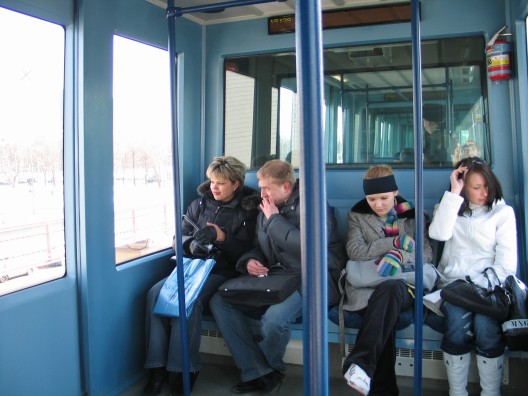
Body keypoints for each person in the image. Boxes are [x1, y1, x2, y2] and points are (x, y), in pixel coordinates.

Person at [209, 159, 345, 394]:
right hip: (276, 277)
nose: (261, 192)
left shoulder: (312, 206)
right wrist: (249, 261)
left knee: (274, 319)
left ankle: (268, 370)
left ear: (286, 187)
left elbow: (311, 250)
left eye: (266, 188)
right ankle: (259, 371)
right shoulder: (267, 207)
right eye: (260, 187)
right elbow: (257, 246)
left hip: (313, 278)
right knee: (220, 301)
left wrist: (274, 220)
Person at [143, 156, 259, 396]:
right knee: (155, 294)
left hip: (221, 270)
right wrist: (190, 247)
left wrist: (222, 238)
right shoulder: (198, 205)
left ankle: (182, 371)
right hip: (191, 265)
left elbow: (248, 251)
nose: (214, 187)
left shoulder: (249, 210)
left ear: (236, 184)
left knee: (188, 300)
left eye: (221, 183)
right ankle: (156, 369)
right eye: (212, 181)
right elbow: (178, 238)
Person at [427, 157, 517, 396]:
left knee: (486, 326)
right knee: (456, 325)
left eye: (486, 186)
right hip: (454, 287)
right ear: (464, 187)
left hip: (489, 288)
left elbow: (507, 264)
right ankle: (457, 392)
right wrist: (454, 193)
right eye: (476, 187)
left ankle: (491, 392)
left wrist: (475, 286)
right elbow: (438, 233)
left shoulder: (502, 213)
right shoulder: (449, 207)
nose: (483, 192)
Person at [342, 164, 433, 396]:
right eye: (371, 199)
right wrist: (394, 243)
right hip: (368, 287)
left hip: (403, 283)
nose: (378, 204)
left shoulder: (414, 215)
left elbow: (425, 254)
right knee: (384, 315)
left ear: (395, 192)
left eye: (384, 197)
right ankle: (384, 390)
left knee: (390, 290)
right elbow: (354, 250)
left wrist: (398, 255)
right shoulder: (357, 215)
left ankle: (361, 365)